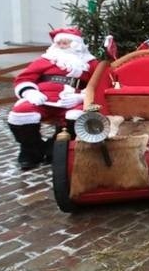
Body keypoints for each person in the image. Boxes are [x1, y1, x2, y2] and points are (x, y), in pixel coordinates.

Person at [7, 27, 99, 170]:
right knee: (20, 113)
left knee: (77, 116)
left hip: (72, 100)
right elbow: (25, 78)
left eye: (66, 43)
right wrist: (30, 92)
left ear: (77, 44)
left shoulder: (90, 63)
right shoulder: (45, 60)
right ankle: (31, 150)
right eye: (59, 43)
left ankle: (57, 148)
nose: (62, 46)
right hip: (43, 98)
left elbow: (99, 83)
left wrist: (81, 97)